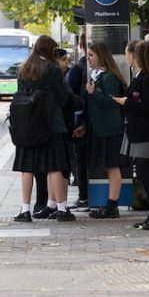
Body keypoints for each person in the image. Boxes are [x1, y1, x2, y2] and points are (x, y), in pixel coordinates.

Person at [12, 35, 75, 222]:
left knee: (27, 168)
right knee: (55, 166)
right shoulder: (53, 70)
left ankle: (25, 210)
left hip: (28, 125)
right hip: (51, 124)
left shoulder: (23, 69)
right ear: (49, 50)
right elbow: (64, 98)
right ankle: (62, 209)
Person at [112, 39, 149, 230]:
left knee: (145, 171)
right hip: (140, 131)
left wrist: (126, 103)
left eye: (128, 53)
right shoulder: (142, 76)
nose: (127, 57)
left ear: (134, 55)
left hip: (147, 132)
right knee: (145, 172)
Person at [85, 41, 127, 219]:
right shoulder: (95, 75)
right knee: (107, 166)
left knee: (112, 166)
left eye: (91, 55)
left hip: (110, 128)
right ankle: (111, 203)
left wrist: (95, 93)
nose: (88, 58)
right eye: (88, 55)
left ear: (101, 56)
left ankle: (112, 205)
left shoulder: (109, 77)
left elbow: (112, 102)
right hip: (99, 128)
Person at [66, 34, 90, 209]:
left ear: (80, 45)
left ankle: (83, 197)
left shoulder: (76, 69)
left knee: (80, 159)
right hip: (92, 120)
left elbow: (69, 96)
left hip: (79, 121)